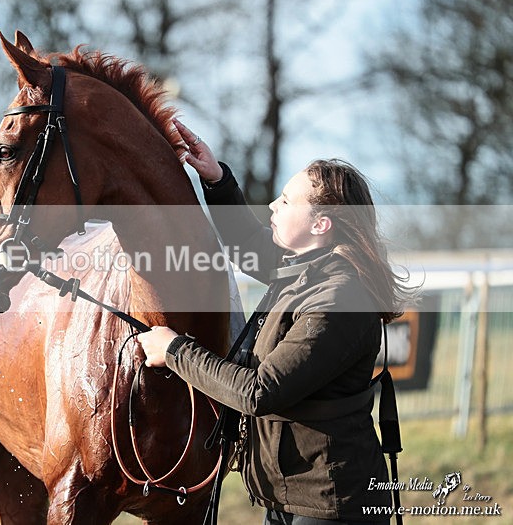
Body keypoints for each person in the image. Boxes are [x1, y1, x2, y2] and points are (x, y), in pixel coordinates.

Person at [138, 120, 411, 524]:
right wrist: (216, 180)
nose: (272, 206)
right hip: (292, 498)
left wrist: (174, 351)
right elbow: (246, 243)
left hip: (331, 506)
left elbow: (259, 392)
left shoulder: (339, 299)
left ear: (320, 225)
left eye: (285, 201)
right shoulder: (308, 267)